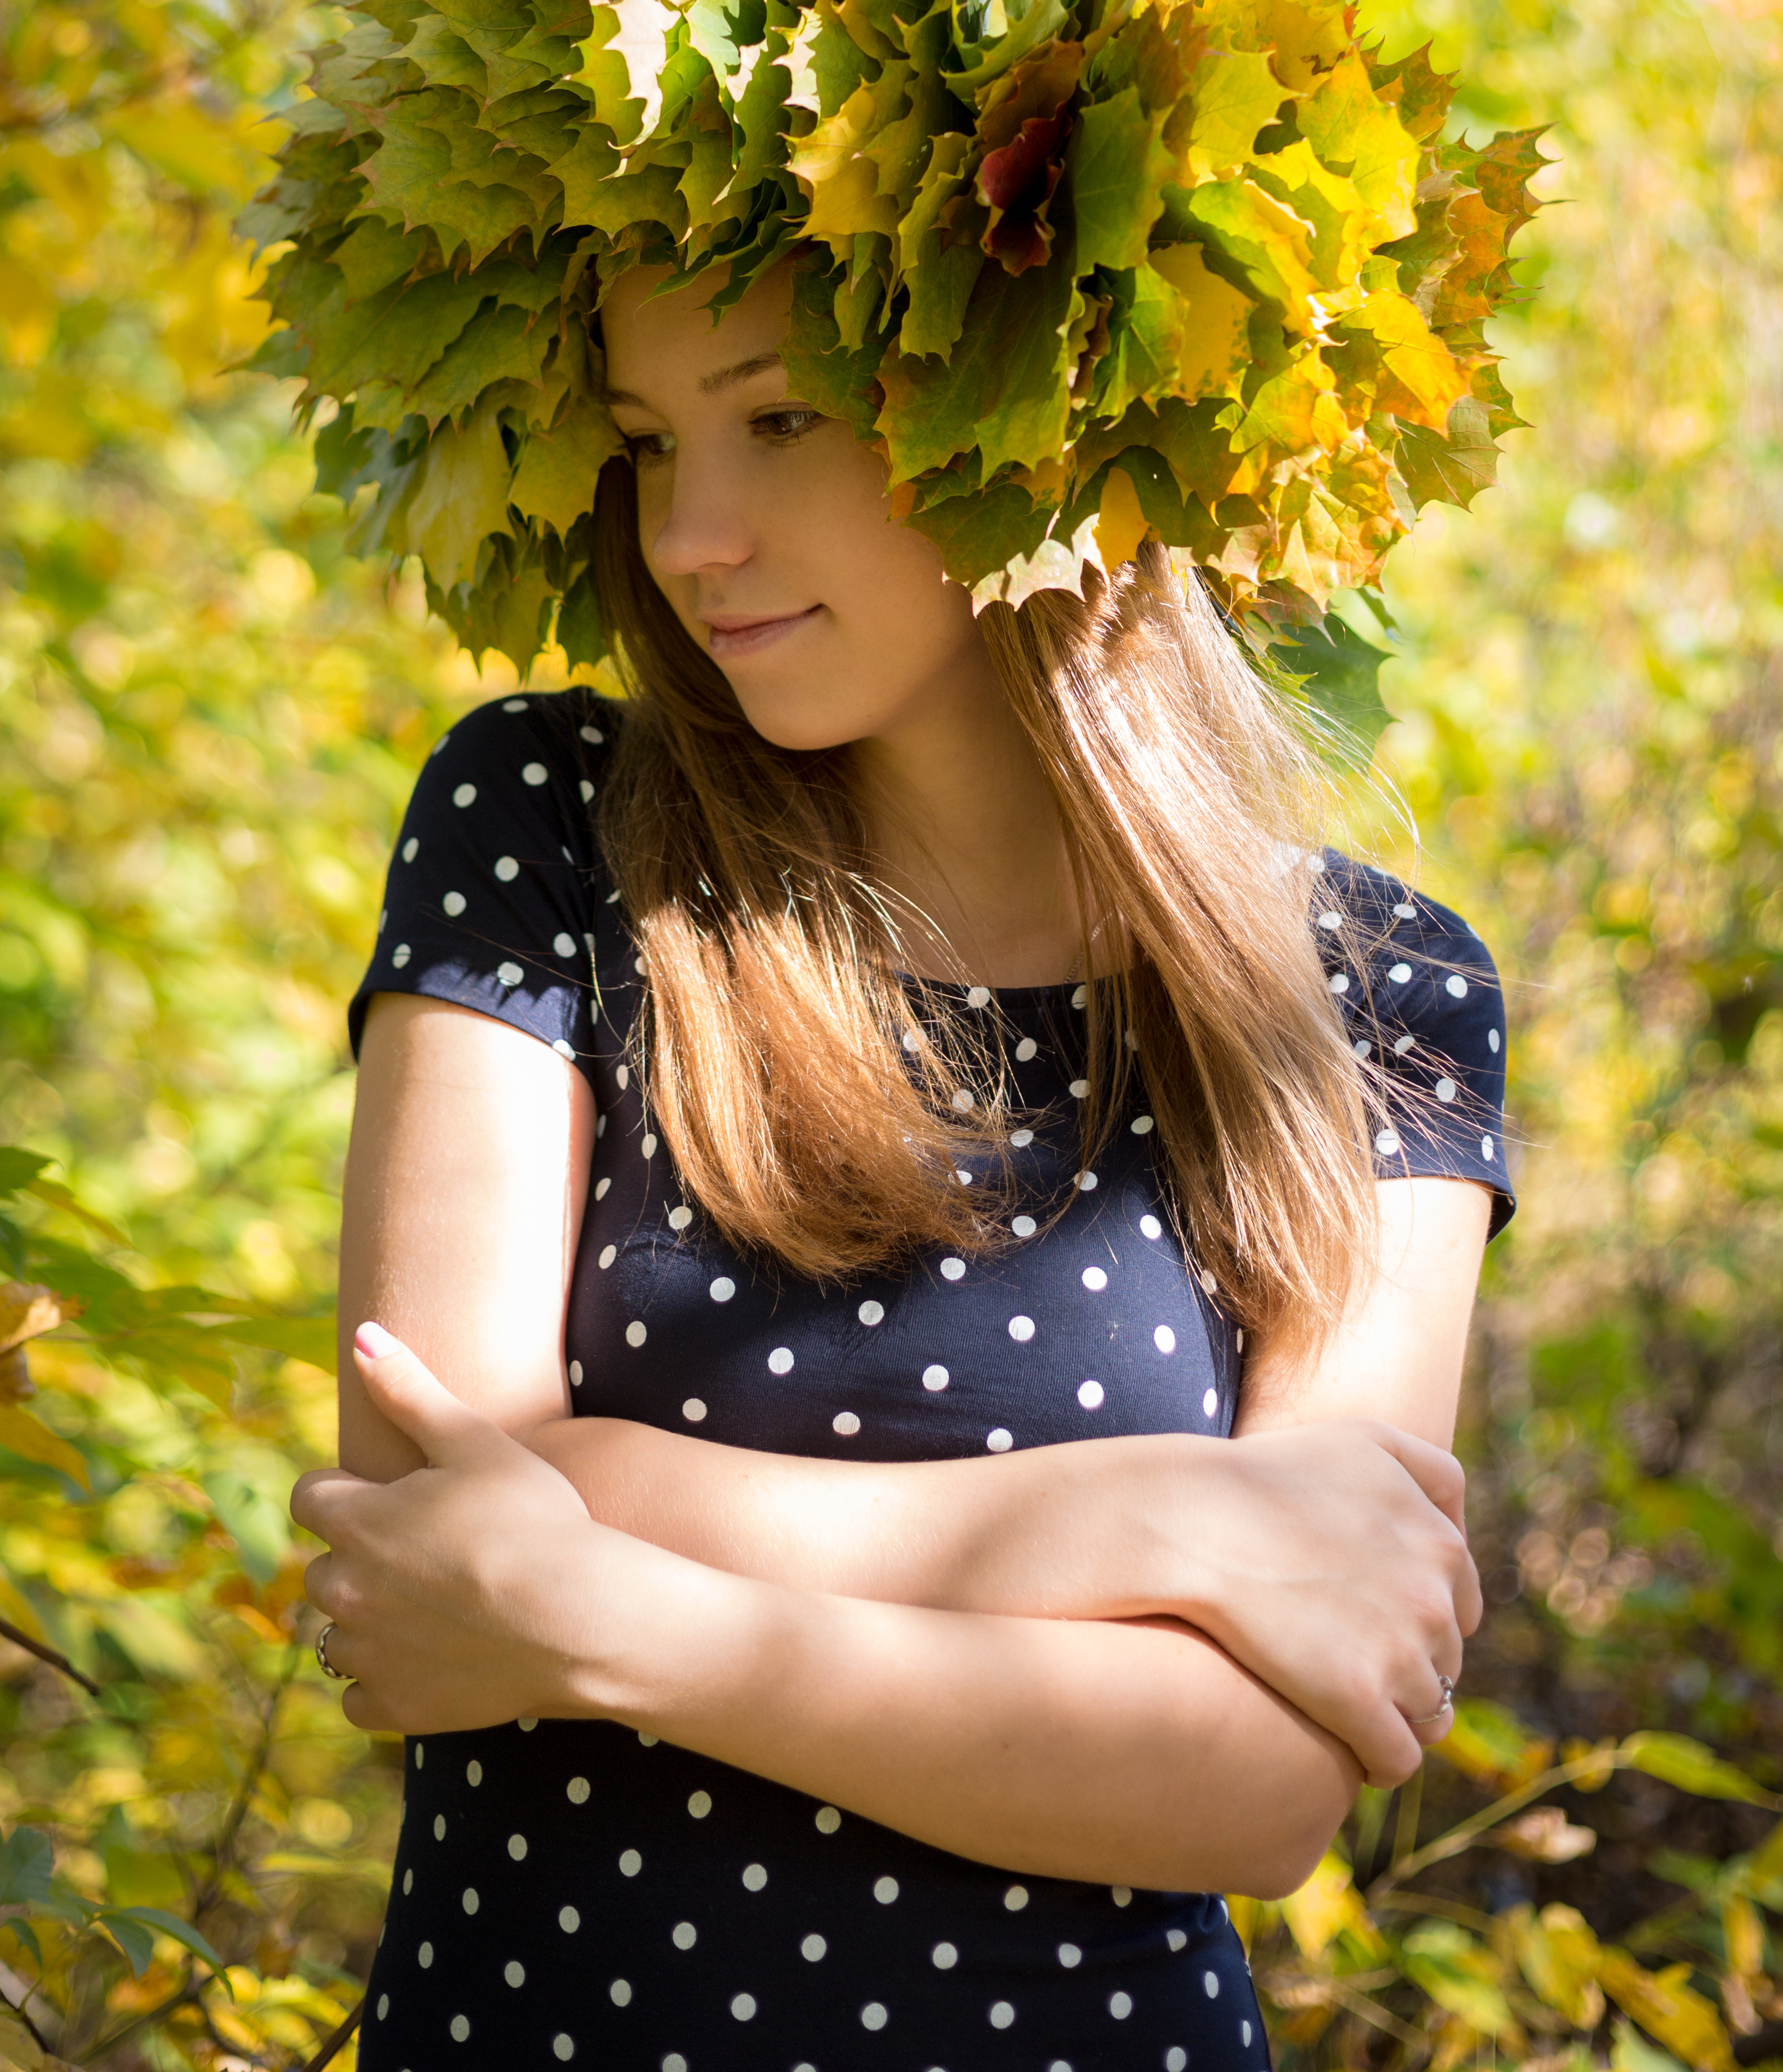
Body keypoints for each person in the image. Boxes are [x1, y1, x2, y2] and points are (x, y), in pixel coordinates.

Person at [294, 251, 1511, 2072]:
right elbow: (421, 1517)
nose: (694, 531)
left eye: (779, 418)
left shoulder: (1375, 1000)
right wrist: (1140, 1521)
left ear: (1030, 414)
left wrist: (611, 1618)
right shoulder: (552, 828)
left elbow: (1254, 1787)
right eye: (647, 442)